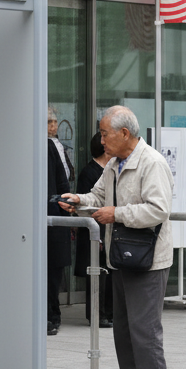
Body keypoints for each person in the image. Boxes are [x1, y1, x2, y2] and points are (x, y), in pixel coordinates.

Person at [60, 106, 173, 369]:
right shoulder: (113, 164)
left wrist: (117, 214)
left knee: (144, 329)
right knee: (123, 327)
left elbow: (157, 209)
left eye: (105, 133)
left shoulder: (151, 163)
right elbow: (97, 198)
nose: (101, 139)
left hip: (148, 260)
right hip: (121, 256)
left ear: (125, 134)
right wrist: (78, 201)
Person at [74, 131, 113, 327]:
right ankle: (97, 314)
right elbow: (88, 202)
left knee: (110, 273)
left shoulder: (113, 169)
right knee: (96, 274)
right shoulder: (89, 172)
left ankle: (110, 312)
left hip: (111, 230)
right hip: (95, 231)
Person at [47, 132, 72, 336]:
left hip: (51, 217)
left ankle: (52, 316)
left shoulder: (49, 147)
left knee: (52, 269)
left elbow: (62, 184)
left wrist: (66, 215)